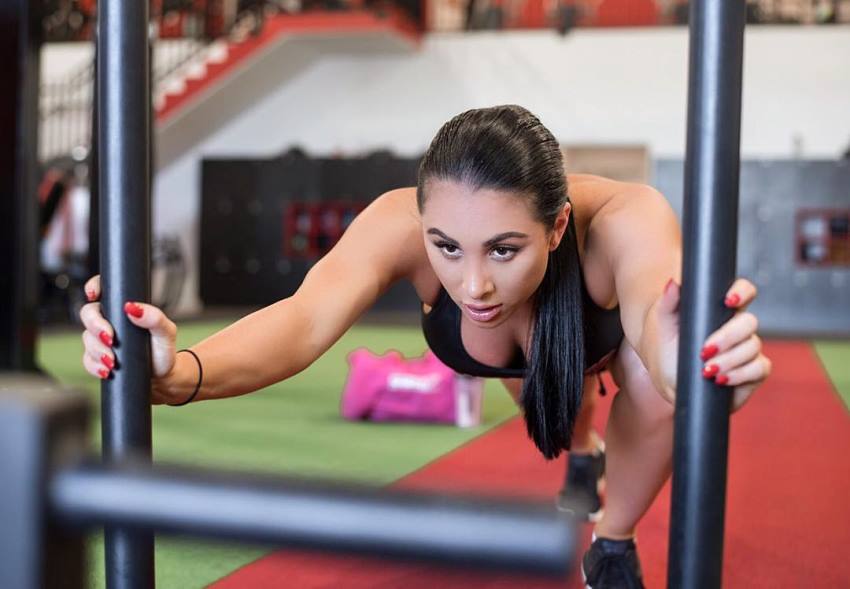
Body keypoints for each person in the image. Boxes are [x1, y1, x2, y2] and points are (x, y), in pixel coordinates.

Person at [79, 105, 771, 588]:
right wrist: (182, 371)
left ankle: (612, 545)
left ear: (556, 226)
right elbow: (305, 318)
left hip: (604, 349)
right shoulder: (396, 224)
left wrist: (694, 372)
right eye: (446, 246)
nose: (473, 283)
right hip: (531, 363)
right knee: (563, 420)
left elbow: (657, 317)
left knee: (646, 383)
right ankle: (583, 453)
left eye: (504, 249)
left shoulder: (624, 216)